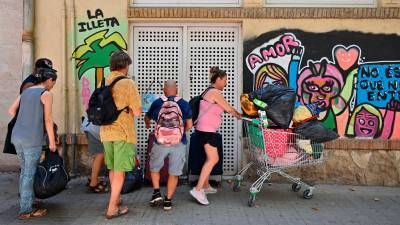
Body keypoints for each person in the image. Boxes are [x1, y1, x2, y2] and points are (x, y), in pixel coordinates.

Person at [8, 68, 57, 219]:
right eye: (54, 82)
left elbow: (11, 110)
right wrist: (52, 142)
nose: (53, 85)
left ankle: (27, 202)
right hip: (32, 138)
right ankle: (25, 210)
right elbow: (48, 120)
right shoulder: (46, 94)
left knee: (24, 172)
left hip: (17, 136)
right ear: (49, 80)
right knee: (29, 173)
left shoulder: (26, 91)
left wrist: (25, 117)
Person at [189, 66, 241, 205]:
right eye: (225, 80)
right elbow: (228, 108)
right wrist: (239, 115)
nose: (226, 83)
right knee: (213, 158)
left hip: (204, 129)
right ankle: (198, 189)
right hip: (206, 130)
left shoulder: (209, 91)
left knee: (209, 158)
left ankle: (205, 186)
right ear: (218, 79)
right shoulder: (215, 92)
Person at [99, 51, 142, 219]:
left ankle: (116, 202)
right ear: (125, 65)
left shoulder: (104, 80)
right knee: (120, 171)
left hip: (105, 132)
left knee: (112, 169)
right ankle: (111, 208)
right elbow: (137, 111)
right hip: (123, 132)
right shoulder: (128, 83)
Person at [144, 80, 193, 211]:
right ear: (176, 90)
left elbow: (147, 117)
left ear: (164, 90)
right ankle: (168, 201)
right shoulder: (184, 103)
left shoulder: (157, 102)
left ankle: (156, 191)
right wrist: (179, 132)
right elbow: (189, 125)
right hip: (179, 142)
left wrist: (148, 124)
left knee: (154, 167)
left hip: (160, 141)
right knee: (174, 172)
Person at [81, 116, 108, 193]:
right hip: (95, 128)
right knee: (100, 154)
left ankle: (94, 178)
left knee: (98, 155)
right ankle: (93, 183)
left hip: (90, 126)